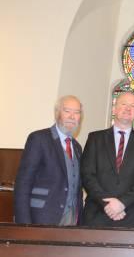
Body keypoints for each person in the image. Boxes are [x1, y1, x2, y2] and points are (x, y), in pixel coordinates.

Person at [81, 92, 134, 227]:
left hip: (132, 215)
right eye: (123, 104)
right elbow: (87, 175)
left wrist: (122, 203)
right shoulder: (95, 139)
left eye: (133, 106)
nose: (128, 108)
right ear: (114, 109)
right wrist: (107, 204)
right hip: (97, 213)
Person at [14, 95, 83, 225]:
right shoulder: (39, 139)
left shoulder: (77, 147)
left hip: (71, 221)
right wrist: (24, 224)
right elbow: (23, 183)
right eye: (67, 111)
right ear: (57, 113)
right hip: (41, 218)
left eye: (77, 112)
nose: (72, 116)